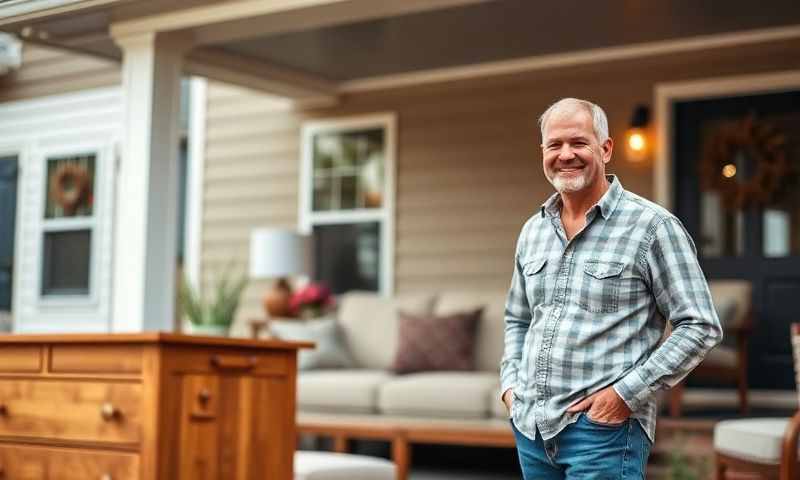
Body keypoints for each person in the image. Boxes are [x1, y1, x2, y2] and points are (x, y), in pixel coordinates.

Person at [500, 97, 722, 479]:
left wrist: (623, 396)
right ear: (543, 153)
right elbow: (518, 319)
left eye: (578, 142)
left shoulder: (653, 227)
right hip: (531, 427)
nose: (565, 154)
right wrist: (510, 386)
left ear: (605, 149)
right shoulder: (532, 230)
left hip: (603, 434)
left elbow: (700, 326)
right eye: (555, 145)